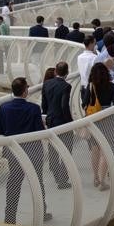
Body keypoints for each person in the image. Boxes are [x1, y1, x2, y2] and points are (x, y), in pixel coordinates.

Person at [0, 77, 52, 223]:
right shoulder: (33, 109)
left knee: (14, 181)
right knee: (37, 182)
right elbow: (38, 131)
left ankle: (10, 216)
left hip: (13, 150)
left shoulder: (3, 108)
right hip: (33, 150)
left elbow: (0, 130)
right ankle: (41, 213)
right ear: (25, 90)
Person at [84, 62, 114, 190]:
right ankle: (103, 181)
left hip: (93, 121)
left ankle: (95, 177)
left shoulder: (91, 86)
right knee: (105, 151)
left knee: (95, 150)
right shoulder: (111, 86)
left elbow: (85, 103)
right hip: (108, 119)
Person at [40, 61, 75, 190]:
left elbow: (44, 103)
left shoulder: (47, 84)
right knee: (66, 150)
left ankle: (56, 175)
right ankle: (63, 179)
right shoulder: (66, 86)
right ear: (67, 72)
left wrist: (46, 116)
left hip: (51, 120)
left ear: (56, 71)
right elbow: (64, 105)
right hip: (62, 121)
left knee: (53, 149)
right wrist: (70, 122)